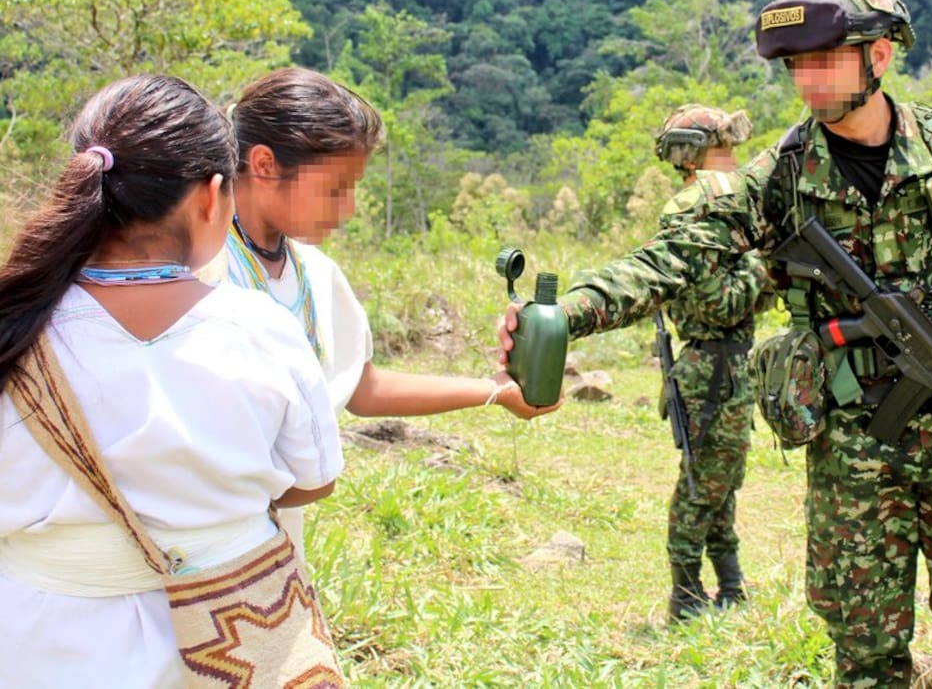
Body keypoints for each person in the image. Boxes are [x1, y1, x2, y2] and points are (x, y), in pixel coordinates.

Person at [501, 0, 932, 686]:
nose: (808, 81)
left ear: (881, 56)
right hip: (855, 451)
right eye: (798, 66)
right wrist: (563, 313)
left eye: (825, 61)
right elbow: (677, 256)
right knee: (865, 657)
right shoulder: (782, 177)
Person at [0, 74, 344, 687]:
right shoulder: (260, 329)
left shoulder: (18, 327)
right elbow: (312, 480)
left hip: (37, 642)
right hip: (228, 639)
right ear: (212, 196)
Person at [203, 68, 561, 545]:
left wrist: (494, 390)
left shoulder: (315, 273)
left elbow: (361, 387)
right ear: (265, 164)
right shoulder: (198, 269)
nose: (347, 209)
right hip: (201, 544)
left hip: (272, 545)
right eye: (334, 189)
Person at [553, 104, 768, 621]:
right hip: (709, 371)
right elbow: (723, 304)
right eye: (724, 149)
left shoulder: (723, 212)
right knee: (702, 486)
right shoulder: (694, 219)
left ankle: (731, 585)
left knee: (722, 481)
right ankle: (687, 595)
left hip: (727, 368)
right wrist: (765, 266)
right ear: (695, 156)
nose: (734, 159)